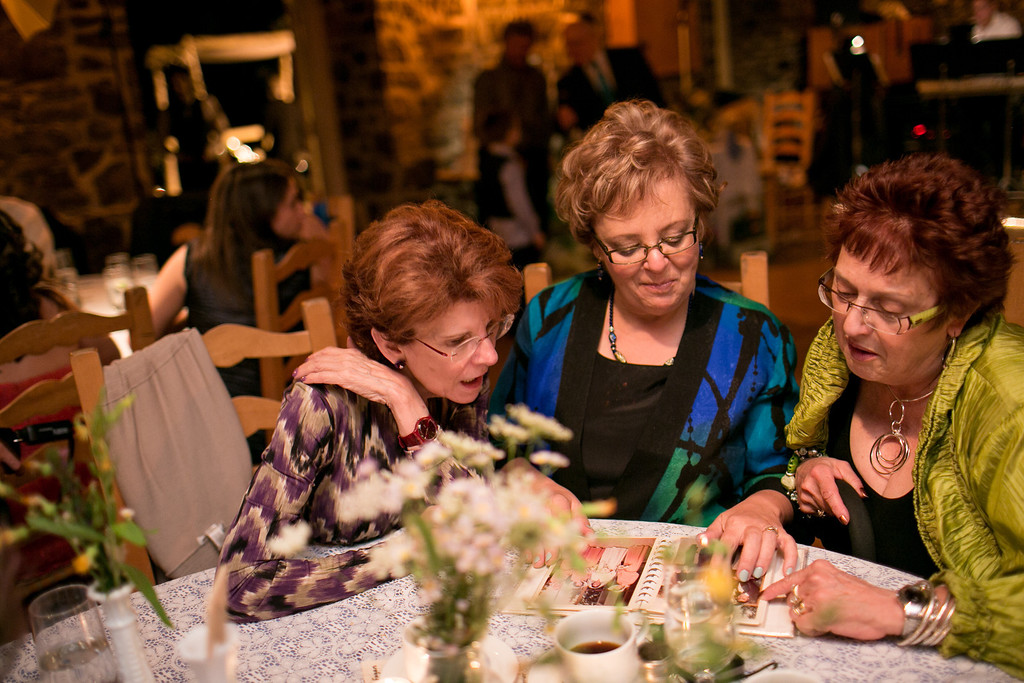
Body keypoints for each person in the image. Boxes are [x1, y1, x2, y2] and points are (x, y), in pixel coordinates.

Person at [491, 100, 801, 580]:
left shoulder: (753, 337)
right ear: (595, 246)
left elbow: (779, 471)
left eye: (677, 236)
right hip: (548, 578)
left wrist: (762, 509)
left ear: (702, 222)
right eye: (628, 247)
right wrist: (525, 482)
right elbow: (495, 447)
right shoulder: (549, 318)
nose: (656, 263)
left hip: (692, 591)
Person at [761, 154, 1024, 678]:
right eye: (844, 290)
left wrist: (893, 610)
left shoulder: (1007, 402)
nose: (854, 325)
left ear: (958, 313)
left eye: (888, 308)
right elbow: (803, 459)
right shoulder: (841, 357)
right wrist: (804, 475)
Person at [217, 201, 525, 621]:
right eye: (458, 341)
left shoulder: (462, 378)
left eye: (491, 328)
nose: (489, 355)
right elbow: (239, 587)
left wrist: (411, 409)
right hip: (325, 625)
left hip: (424, 611)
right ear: (391, 345)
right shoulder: (321, 404)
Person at [148, 158, 329, 399]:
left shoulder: (194, 257)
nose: (302, 210)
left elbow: (143, 331)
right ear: (261, 212)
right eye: (293, 202)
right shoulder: (298, 261)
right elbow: (337, 308)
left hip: (212, 410)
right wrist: (323, 246)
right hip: (291, 410)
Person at [473, 20, 551, 233]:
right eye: (517, 45)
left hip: (533, 162)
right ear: (506, 43)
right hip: (498, 162)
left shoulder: (536, 79)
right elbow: (481, 125)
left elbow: (544, 120)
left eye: (525, 46)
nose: (520, 51)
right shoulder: (488, 80)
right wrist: (503, 152)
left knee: (533, 220)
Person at [556, 14, 664, 137]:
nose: (572, 51)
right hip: (604, 142)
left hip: (644, 130)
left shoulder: (629, 58)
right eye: (568, 45)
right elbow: (564, 126)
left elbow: (655, 95)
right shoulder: (568, 81)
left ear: (593, 38)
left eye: (577, 43)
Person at [476, 110, 545, 271]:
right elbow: (519, 203)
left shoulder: (485, 160)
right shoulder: (509, 164)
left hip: (495, 232)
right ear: (507, 132)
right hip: (517, 236)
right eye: (516, 128)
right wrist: (535, 231)